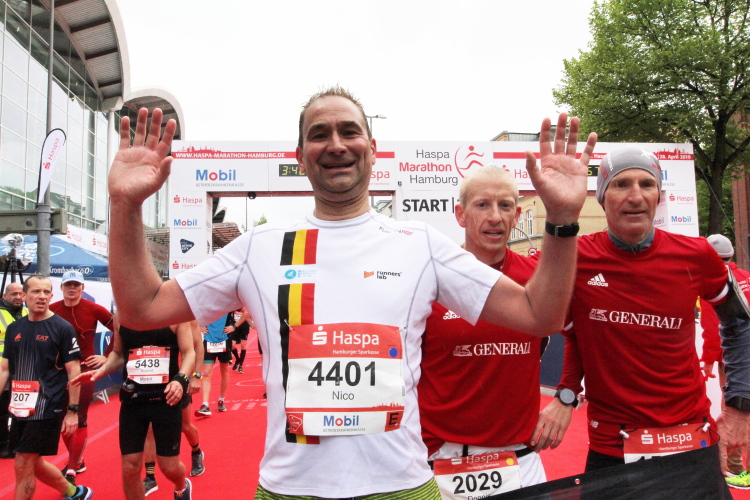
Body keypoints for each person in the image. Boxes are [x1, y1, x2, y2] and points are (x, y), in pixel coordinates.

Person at [106, 87, 596, 498]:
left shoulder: (421, 244)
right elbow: (142, 308)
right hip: (289, 489)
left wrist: (561, 220)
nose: (336, 144)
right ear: (300, 156)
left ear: (372, 148)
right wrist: (125, 206)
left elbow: (540, 314)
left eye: (349, 131)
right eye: (319, 134)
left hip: (402, 486)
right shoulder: (259, 247)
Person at [535, 147, 750, 479]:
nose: (635, 196)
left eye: (646, 184)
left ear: (658, 196)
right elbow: (563, 326)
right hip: (612, 447)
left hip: (690, 439)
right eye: (621, 184)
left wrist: (740, 407)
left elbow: (740, 323)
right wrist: (565, 393)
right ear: (602, 198)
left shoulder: (696, 254)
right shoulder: (573, 257)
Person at [418, 165, 548, 496]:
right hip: (441, 460)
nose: (495, 217)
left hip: (520, 459)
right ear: (460, 215)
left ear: (517, 216)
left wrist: (566, 396)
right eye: (482, 205)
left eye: (505, 206)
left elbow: (583, 330)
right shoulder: (430, 280)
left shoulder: (537, 277)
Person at [72, 314, 195, 500]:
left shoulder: (174, 315)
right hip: (133, 401)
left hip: (166, 400)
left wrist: (180, 379)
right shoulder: (121, 317)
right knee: (130, 467)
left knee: (169, 467)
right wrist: (101, 371)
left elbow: (189, 353)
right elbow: (118, 354)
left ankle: (181, 486)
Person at [0, 274, 93, 499]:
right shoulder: (14, 329)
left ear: (52, 296)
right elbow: (4, 369)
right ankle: (74, 492)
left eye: (46, 292)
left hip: (48, 406)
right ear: (25, 296)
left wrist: (72, 411)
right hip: (20, 407)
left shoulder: (62, 328)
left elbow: (74, 371)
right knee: (34, 461)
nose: (42, 296)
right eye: (36, 291)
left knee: (23, 461)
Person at [49, 270, 114, 484]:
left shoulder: (94, 309)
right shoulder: (52, 310)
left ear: (82, 288)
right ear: (61, 287)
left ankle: (72, 468)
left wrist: (106, 356)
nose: (72, 288)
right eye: (68, 284)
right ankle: (77, 460)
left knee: (78, 416)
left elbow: (120, 330)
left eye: (76, 285)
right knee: (61, 417)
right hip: (58, 371)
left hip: (84, 368)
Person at [699, 234, 750, 488]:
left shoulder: (714, 281)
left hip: (733, 358)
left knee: (735, 409)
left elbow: (713, 326)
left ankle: (736, 468)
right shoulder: (746, 276)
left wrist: (709, 358)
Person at [143, 320, 205, 496]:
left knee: (185, 426)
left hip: (178, 379)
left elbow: (198, 347)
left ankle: (196, 452)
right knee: (150, 429)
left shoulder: (185, 317)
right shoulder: (147, 315)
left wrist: (196, 376)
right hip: (153, 380)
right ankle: (150, 477)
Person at [0, 281, 27, 458]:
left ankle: (17, 443)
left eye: (21, 294)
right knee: (2, 410)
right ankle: (3, 444)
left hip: (23, 371)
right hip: (2, 370)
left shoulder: (27, 312)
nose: (18, 297)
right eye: (14, 294)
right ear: (5, 296)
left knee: (22, 409)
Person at [194, 313, 233, 417]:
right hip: (208, 340)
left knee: (224, 371)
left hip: (224, 341)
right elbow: (193, 311)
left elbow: (245, 311)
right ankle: (205, 404)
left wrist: (234, 326)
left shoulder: (227, 306)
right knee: (206, 373)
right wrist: (199, 325)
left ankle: (221, 399)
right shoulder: (205, 305)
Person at [228, 307, 253, 374]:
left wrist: (251, 324)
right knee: (232, 345)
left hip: (244, 326)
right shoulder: (233, 304)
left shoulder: (245, 305)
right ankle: (238, 359)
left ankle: (240, 366)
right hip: (234, 326)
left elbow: (247, 313)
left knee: (243, 345)